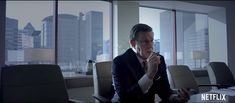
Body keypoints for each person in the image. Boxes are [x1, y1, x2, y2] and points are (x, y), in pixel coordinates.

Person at [111, 23, 189, 103]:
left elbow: (165, 91)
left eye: (152, 41)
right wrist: (149, 75)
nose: (150, 46)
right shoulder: (120, 62)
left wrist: (176, 98)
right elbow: (125, 98)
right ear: (133, 44)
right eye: (145, 42)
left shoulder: (159, 59)